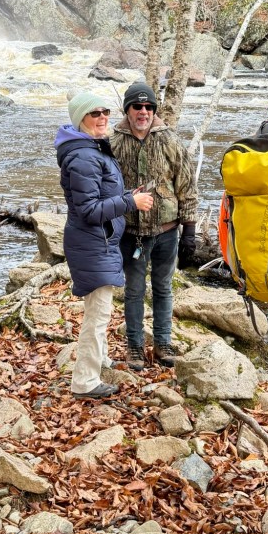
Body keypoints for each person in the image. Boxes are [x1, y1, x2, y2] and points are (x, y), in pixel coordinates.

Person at [55, 90, 153, 399]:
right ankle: (85, 381)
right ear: (80, 119)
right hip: (92, 243)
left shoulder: (91, 148)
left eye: (105, 112)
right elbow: (88, 211)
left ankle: (101, 360)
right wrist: (131, 202)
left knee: (100, 310)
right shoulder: (83, 156)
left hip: (99, 242)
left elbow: (99, 196)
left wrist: (126, 195)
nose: (102, 118)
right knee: (97, 315)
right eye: (94, 113)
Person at [110, 82, 198, 370]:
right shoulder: (113, 143)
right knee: (134, 291)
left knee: (163, 288)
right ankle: (135, 347)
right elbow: (106, 189)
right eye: (137, 106)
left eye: (149, 107)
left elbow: (187, 186)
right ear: (127, 110)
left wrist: (189, 232)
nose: (143, 112)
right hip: (130, 233)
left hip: (167, 232)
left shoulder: (170, 140)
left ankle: (163, 343)